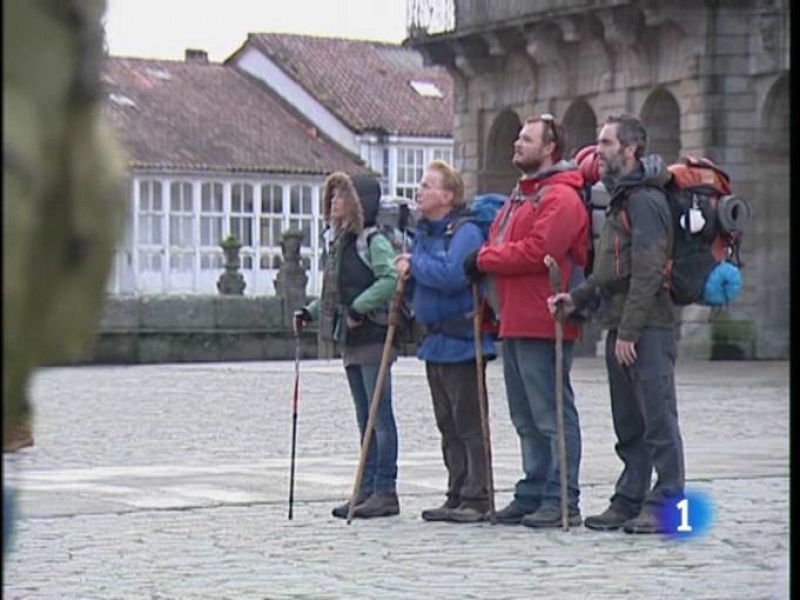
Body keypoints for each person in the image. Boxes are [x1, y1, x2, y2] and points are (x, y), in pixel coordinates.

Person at [548, 113, 684, 534]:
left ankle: (668, 505)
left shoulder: (645, 200)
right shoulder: (620, 198)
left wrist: (629, 332)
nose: (598, 151)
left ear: (629, 150)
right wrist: (577, 299)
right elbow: (609, 270)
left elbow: (648, 270)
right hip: (620, 320)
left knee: (657, 419)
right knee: (628, 421)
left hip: (649, 326)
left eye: (607, 143)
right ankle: (629, 499)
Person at [463, 114, 589, 528]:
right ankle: (534, 489)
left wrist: (482, 259)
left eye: (527, 139)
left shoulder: (561, 198)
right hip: (514, 317)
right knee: (525, 416)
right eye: (518, 136)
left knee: (551, 413)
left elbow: (538, 251)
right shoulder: (521, 197)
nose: (517, 143)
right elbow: (502, 243)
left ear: (549, 148)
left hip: (544, 316)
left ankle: (561, 495)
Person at [294, 172, 400, 519]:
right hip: (350, 337)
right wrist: (310, 313)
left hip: (371, 335)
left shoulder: (372, 241)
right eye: (332, 197)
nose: (333, 203)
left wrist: (360, 307)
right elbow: (335, 291)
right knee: (363, 416)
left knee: (378, 417)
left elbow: (389, 278)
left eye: (340, 196)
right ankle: (365, 487)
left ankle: (385, 489)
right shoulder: (340, 241)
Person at [394, 160, 496, 523]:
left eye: (427, 185)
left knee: (468, 421)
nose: (419, 191)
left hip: (463, 340)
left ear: (447, 195)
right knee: (446, 422)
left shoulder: (464, 232)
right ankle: (456, 489)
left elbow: (454, 274)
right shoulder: (424, 234)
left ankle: (478, 494)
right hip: (434, 340)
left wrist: (415, 266)